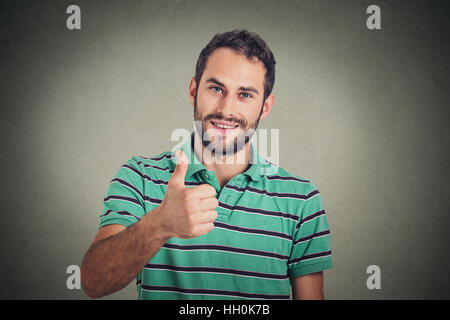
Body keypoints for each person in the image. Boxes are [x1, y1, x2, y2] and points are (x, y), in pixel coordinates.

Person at [81, 30, 333, 300]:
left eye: (245, 94)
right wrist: (160, 225)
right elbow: (93, 283)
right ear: (193, 91)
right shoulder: (140, 177)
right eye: (216, 88)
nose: (226, 109)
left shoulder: (302, 200)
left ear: (266, 106)